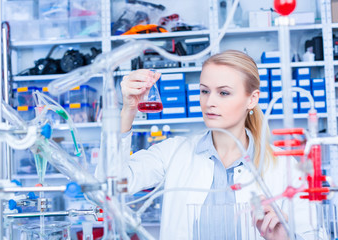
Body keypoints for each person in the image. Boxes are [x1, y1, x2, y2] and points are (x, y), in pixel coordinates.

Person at [119, 50, 316, 240]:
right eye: (204, 91)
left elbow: (315, 235)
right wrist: (127, 110)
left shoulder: (285, 166)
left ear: (252, 99)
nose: (209, 102)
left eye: (223, 93)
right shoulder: (174, 152)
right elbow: (113, 184)